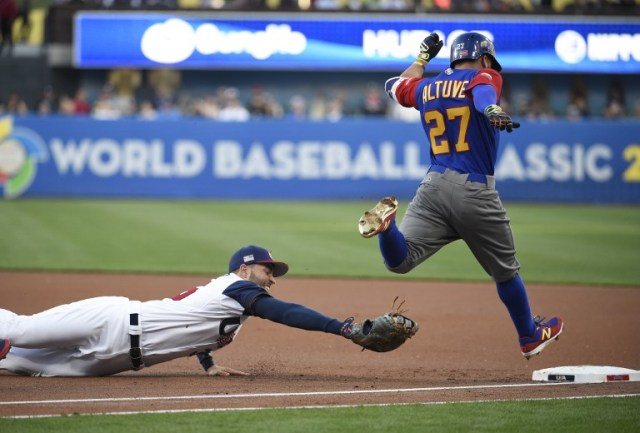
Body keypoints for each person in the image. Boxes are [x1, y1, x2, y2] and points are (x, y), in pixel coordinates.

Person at [358, 32, 563, 359]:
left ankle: (387, 229)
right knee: (505, 272)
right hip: (473, 190)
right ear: (485, 58)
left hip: (433, 187)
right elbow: (483, 93)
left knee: (400, 260)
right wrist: (492, 107)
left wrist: (423, 58)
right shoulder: (485, 75)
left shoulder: (426, 86)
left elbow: (393, 86)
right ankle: (529, 335)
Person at [0, 245, 361, 377]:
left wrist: (209, 364)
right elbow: (283, 312)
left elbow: (197, 332)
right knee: (21, 331)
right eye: (269, 271)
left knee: (16, 362)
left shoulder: (234, 309)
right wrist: (339, 328)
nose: (273, 279)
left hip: (109, 363)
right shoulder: (234, 287)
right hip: (111, 320)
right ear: (245, 270)